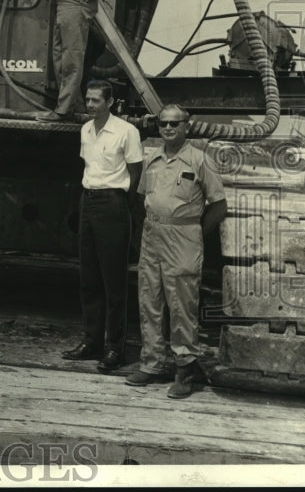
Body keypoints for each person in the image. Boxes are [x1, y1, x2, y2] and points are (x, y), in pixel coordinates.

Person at [126, 104, 227, 399]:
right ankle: (152, 363)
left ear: (186, 126)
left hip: (183, 237)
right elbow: (142, 197)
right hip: (152, 235)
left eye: (174, 124)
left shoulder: (199, 160)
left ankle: (185, 368)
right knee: (149, 300)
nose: (168, 128)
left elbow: (219, 206)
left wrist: (192, 231)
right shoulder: (153, 159)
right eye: (164, 124)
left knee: (181, 304)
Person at [61, 79, 143, 373]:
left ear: (110, 102)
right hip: (89, 201)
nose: (90, 104)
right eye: (88, 99)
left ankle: (114, 348)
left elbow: (135, 172)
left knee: (114, 281)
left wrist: (121, 203)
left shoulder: (126, 132)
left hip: (113, 203)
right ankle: (91, 342)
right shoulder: (85, 130)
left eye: (96, 100)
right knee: (89, 277)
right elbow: (89, 167)